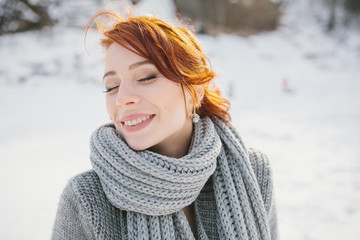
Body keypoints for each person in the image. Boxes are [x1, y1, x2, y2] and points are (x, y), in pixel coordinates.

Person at [51, 9, 278, 240]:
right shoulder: (86, 199)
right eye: (111, 86)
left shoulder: (252, 172)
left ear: (194, 91)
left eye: (146, 77)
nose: (122, 98)